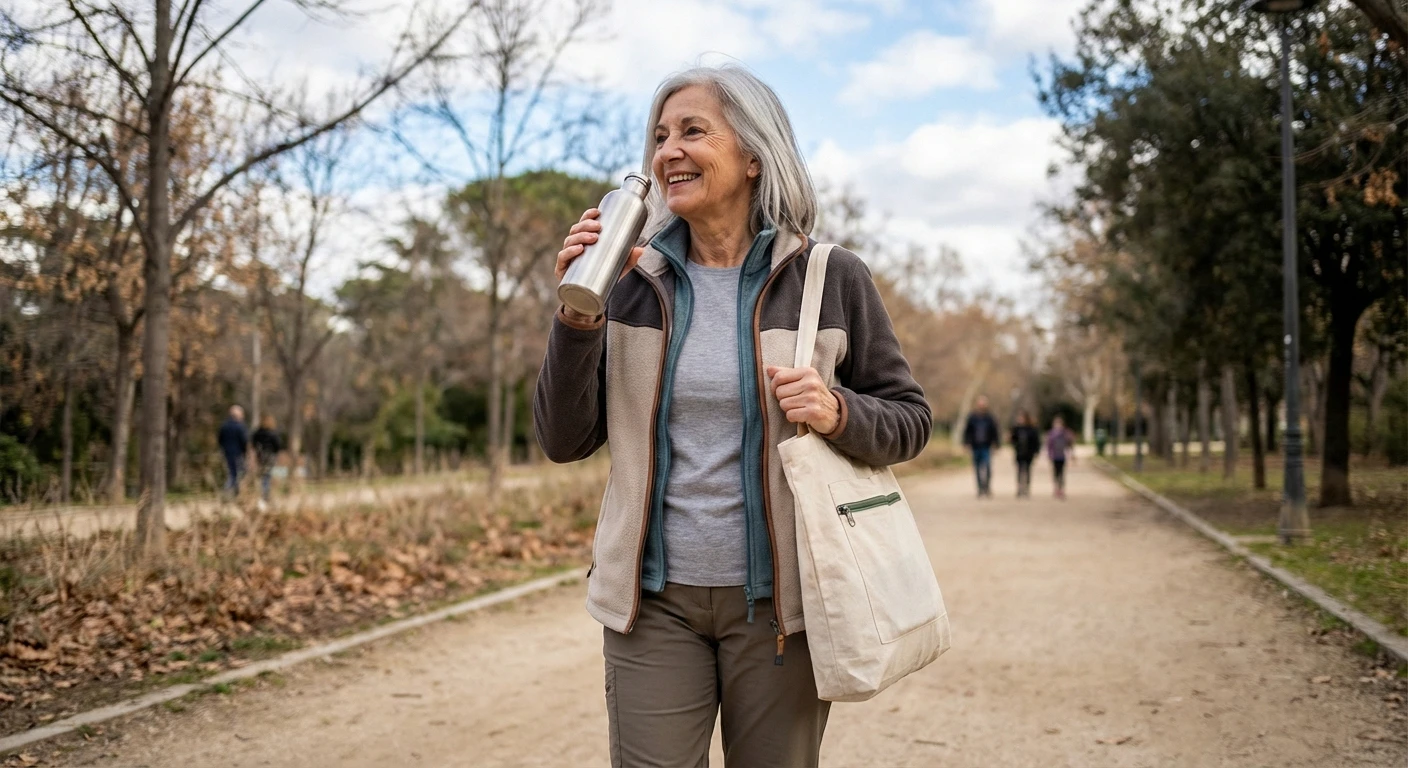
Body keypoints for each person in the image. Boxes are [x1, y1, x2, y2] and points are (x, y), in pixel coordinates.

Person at [534, 65, 931, 768]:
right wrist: (578, 315)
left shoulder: (829, 278)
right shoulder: (629, 280)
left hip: (785, 608)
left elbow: (910, 419)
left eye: (693, 131)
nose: (669, 151)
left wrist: (837, 410)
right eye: (660, 136)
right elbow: (563, 440)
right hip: (651, 605)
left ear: (753, 155)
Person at [962, 395, 1000, 497]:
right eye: (980, 403)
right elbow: (967, 431)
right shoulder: (972, 417)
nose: (981, 405)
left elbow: (995, 431)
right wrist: (966, 443)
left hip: (986, 446)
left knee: (987, 467)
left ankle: (986, 487)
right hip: (975, 446)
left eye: (983, 403)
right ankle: (980, 489)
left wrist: (996, 444)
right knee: (977, 468)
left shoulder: (990, 418)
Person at [217, 405, 249, 497]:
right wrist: (245, 452)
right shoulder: (240, 427)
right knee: (237, 473)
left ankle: (234, 492)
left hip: (227, 453)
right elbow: (244, 441)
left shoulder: (224, 426)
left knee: (232, 472)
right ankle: (229, 491)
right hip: (238, 453)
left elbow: (220, 439)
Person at [251, 415, 282, 503]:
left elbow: (253, 443)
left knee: (262, 475)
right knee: (267, 475)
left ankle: (263, 493)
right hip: (270, 456)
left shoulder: (257, 433)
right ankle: (265, 495)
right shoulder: (272, 433)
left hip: (260, 455)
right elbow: (277, 445)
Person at [1010, 409, 1041, 498]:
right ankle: (1020, 488)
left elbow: (1036, 441)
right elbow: (1013, 440)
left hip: (1028, 453)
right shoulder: (1017, 429)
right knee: (1019, 471)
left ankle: (1026, 488)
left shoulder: (1032, 429)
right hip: (1019, 453)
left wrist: (1036, 451)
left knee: (1027, 470)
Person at [1046, 415, 1077, 499]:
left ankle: (1061, 489)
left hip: (1062, 456)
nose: (1058, 426)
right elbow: (1049, 446)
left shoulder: (1066, 433)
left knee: (1062, 473)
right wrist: (1049, 455)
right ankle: (1056, 488)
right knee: (1056, 473)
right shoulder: (1051, 434)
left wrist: (1072, 454)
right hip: (1054, 456)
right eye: (1056, 424)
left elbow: (1070, 444)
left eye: (1059, 424)